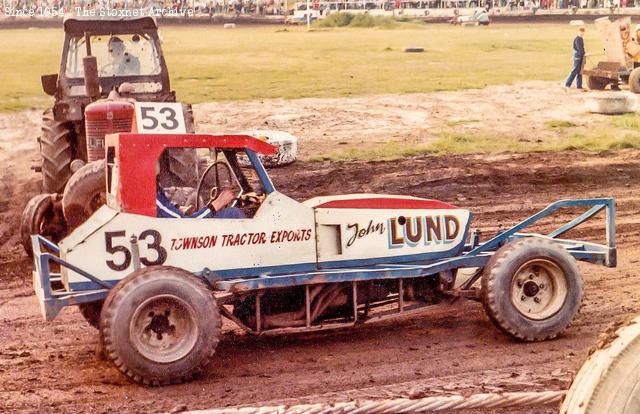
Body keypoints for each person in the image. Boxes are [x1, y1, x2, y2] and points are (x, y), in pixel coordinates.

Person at [156, 187, 246, 219]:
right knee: (234, 213)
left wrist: (180, 209)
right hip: (182, 234)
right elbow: (185, 225)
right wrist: (219, 202)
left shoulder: (155, 188)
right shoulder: (155, 199)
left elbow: (166, 208)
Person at [565, 25, 585, 90]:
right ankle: (567, 84)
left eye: (583, 32)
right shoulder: (577, 39)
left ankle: (579, 86)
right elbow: (579, 49)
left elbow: (582, 48)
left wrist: (584, 53)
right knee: (575, 71)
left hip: (580, 56)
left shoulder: (581, 38)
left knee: (580, 71)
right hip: (577, 57)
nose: (582, 33)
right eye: (581, 32)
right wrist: (583, 53)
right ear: (578, 32)